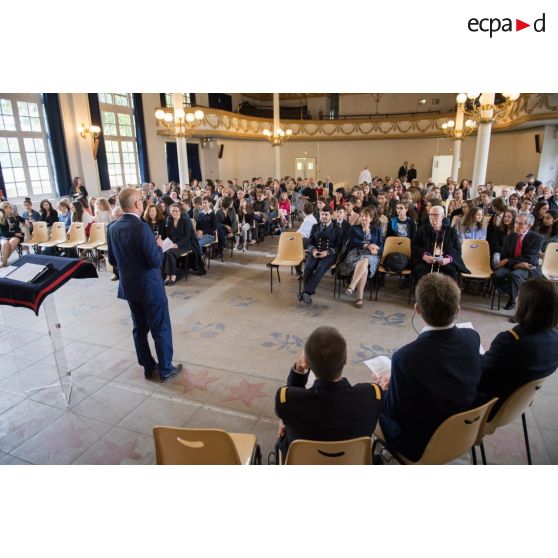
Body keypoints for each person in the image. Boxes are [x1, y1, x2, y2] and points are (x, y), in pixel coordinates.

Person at [379, 273, 482, 462]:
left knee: (372, 400)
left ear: (416, 309)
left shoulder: (406, 357)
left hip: (419, 443)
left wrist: (383, 389)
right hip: (462, 432)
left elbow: (394, 411)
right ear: (458, 310)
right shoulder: (471, 337)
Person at [274, 326, 383, 462]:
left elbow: (291, 396)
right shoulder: (371, 395)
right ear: (346, 359)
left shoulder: (287, 400)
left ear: (307, 361)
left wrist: (299, 369)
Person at [108, 187, 182, 382]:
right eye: (141, 200)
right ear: (137, 205)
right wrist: (158, 246)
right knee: (160, 327)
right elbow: (155, 261)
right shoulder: (142, 228)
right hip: (150, 287)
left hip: (130, 287)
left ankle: (148, 367)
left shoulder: (113, 228)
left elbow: (113, 260)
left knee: (139, 328)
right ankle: (165, 369)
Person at [477, 278, 558, 419]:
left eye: (519, 296)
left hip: (489, 407)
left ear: (527, 306)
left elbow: (482, 372)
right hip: (518, 404)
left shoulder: (512, 340)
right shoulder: (555, 336)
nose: (516, 299)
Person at [492, 212, 543, 311]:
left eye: (521, 224)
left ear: (529, 225)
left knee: (515, 275)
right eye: (516, 222)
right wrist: (516, 263)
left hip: (528, 267)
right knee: (496, 275)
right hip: (513, 266)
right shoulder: (508, 238)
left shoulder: (537, 239)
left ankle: (519, 307)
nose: (516, 226)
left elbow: (529, 258)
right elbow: (504, 256)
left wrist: (508, 260)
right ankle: (513, 294)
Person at [339, 206, 383, 308]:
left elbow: (381, 246)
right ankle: (359, 297)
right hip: (355, 254)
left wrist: (376, 248)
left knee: (366, 260)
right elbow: (351, 243)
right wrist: (367, 245)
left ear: (371, 218)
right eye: (362, 216)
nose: (363, 218)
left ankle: (352, 287)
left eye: (366, 216)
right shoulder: (353, 228)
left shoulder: (377, 230)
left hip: (371, 255)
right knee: (365, 267)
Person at [412, 205, 468, 284]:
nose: (432, 217)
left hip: (445, 260)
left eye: (435, 215)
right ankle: (424, 294)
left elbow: (458, 250)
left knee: (451, 271)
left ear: (442, 216)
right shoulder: (422, 230)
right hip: (427, 260)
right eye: (430, 215)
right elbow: (414, 247)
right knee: (420, 270)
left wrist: (448, 259)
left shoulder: (451, 231)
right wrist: (424, 256)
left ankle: (447, 295)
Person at [298, 207, 341, 305]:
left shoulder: (337, 228)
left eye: (326, 215)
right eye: (322, 214)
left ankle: (306, 292)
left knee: (320, 268)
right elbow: (310, 242)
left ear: (331, 215)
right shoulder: (315, 226)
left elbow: (338, 246)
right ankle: (306, 294)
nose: (324, 217)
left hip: (329, 255)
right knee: (308, 267)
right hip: (316, 252)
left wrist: (327, 252)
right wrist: (313, 250)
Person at [0, 201, 25, 267]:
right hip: (5, 236)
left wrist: (26, 221)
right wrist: (15, 234)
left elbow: (23, 219)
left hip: (17, 235)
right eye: (10, 207)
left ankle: (4, 260)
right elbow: (4, 233)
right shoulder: (1, 218)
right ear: (4, 209)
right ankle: (4, 260)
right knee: (5, 243)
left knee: (12, 241)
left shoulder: (14, 215)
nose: (11, 208)